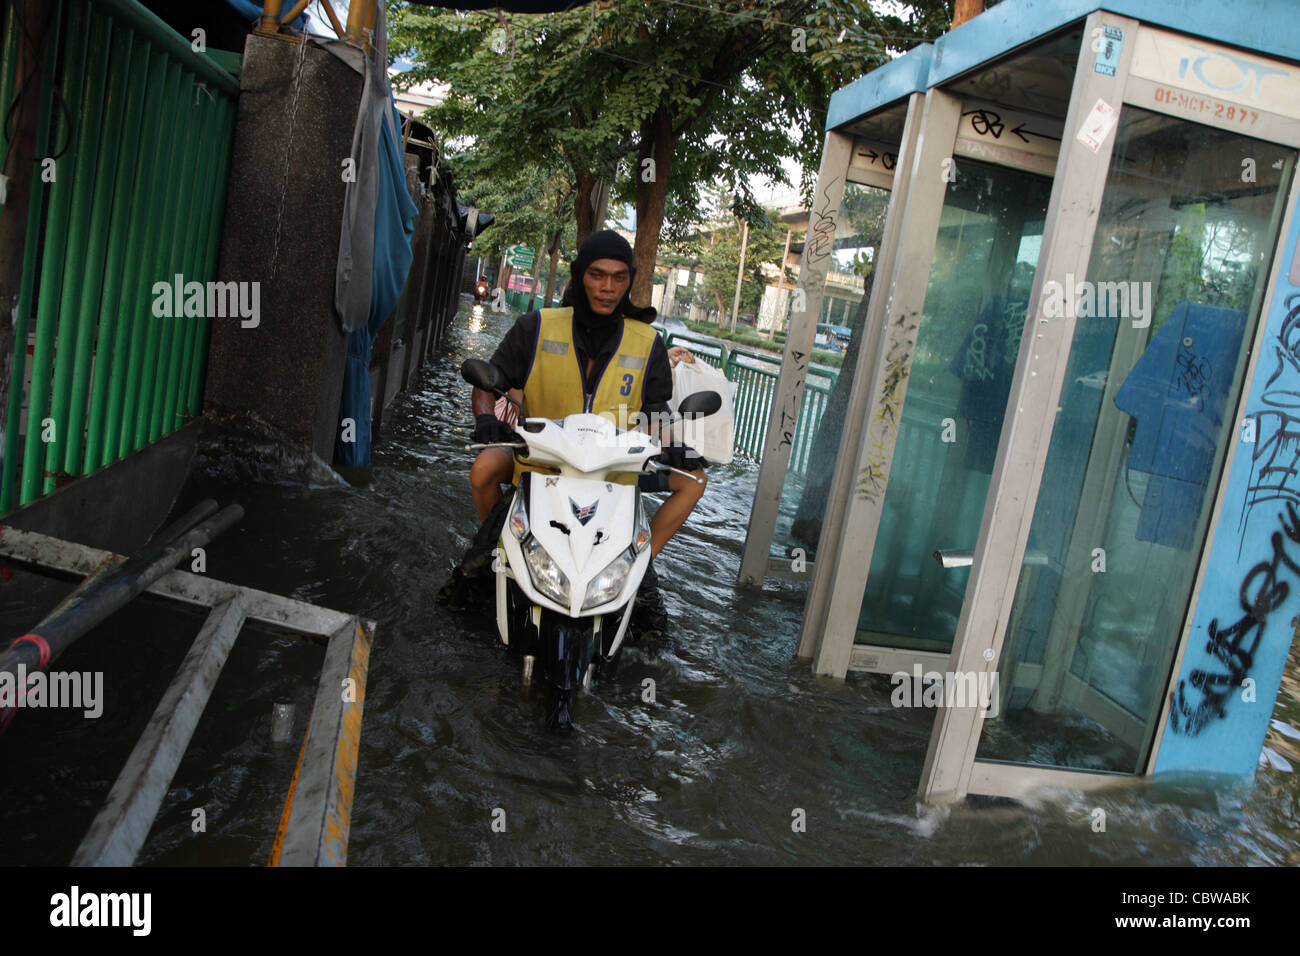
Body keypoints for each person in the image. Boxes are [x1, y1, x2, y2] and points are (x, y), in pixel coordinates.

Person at [468, 230, 705, 556]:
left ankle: (641, 561)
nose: (608, 287)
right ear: (580, 276)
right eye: (597, 275)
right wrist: (484, 418)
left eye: (619, 278)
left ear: (629, 281)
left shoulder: (649, 343)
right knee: (483, 468)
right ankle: (496, 548)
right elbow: (486, 382)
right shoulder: (535, 326)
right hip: (539, 462)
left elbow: (655, 411)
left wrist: (673, 445)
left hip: (614, 471)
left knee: (694, 480)